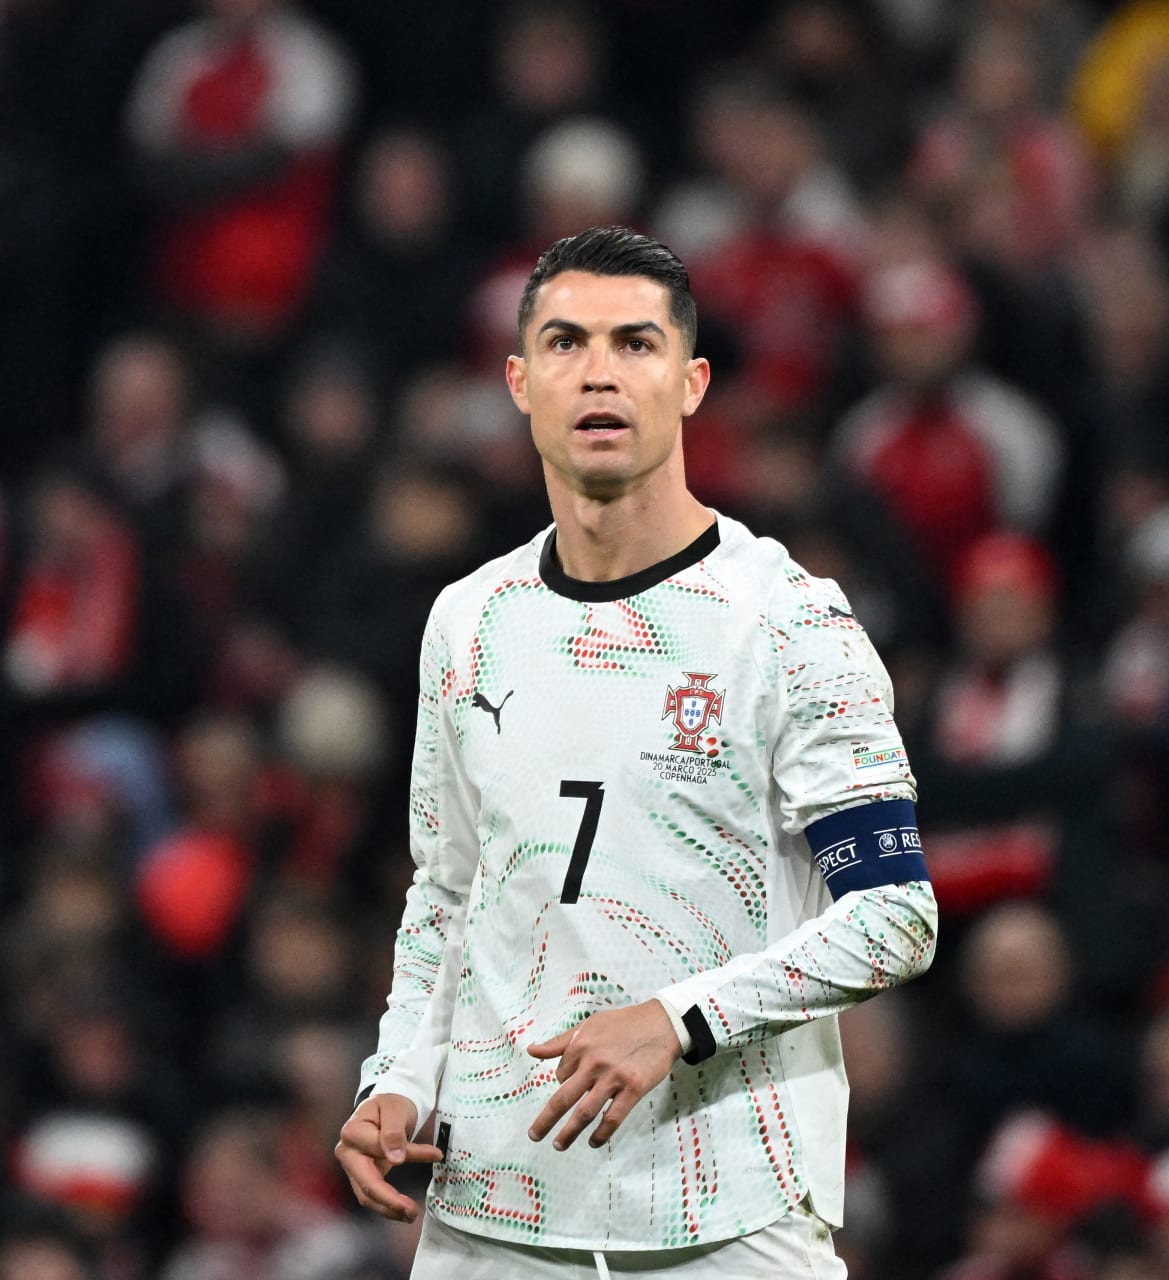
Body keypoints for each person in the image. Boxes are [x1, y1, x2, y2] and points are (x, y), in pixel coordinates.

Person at [334, 226, 940, 1277]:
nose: (600, 372)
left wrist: (680, 1019)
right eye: (566, 343)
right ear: (520, 383)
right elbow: (449, 891)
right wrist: (398, 1077)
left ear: (692, 384)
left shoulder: (788, 621)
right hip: (490, 1210)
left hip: (723, 1211)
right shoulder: (470, 620)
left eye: (636, 344)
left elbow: (895, 915)